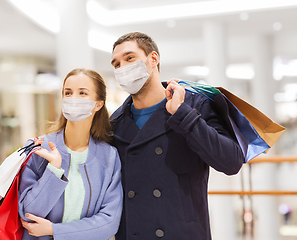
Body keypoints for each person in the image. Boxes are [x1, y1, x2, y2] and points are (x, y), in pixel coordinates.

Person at [110, 32, 244, 239]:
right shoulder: (115, 124)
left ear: (153, 59)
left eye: (129, 58)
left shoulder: (194, 105)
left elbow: (231, 162)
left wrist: (183, 115)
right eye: (116, 64)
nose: (122, 68)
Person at [18, 68, 123, 240]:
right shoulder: (38, 148)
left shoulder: (109, 156)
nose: (73, 98)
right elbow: (28, 213)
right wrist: (54, 170)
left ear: (98, 104)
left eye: (82, 93)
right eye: (68, 92)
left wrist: (54, 230)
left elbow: (109, 222)